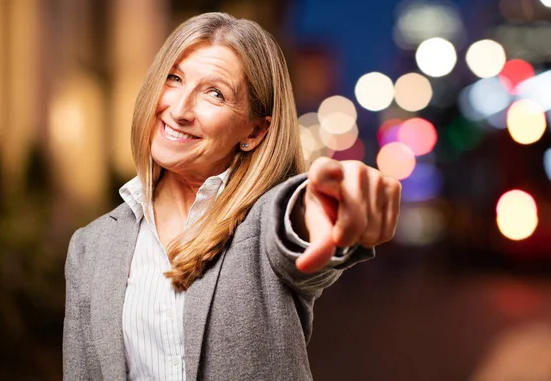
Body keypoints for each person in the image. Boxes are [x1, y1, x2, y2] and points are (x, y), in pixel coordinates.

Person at [63, 12, 401, 381]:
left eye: (215, 93)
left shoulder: (263, 224)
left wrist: (325, 209)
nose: (178, 111)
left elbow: (293, 224)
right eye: (174, 78)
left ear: (255, 131)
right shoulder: (90, 247)